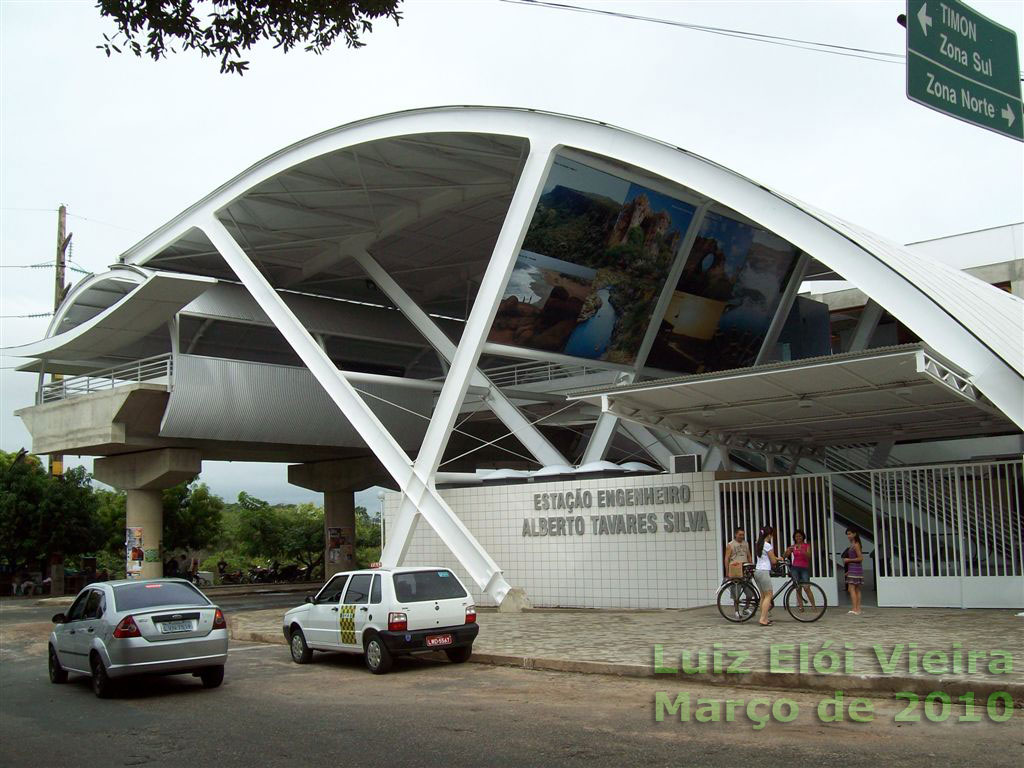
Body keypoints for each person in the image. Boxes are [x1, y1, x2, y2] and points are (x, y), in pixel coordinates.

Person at [752, 525, 780, 626]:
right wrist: (777, 560)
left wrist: (776, 558)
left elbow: (765, 557)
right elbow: (772, 560)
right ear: (770, 534)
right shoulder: (767, 545)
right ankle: (763, 619)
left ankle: (764, 618)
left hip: (757, 571)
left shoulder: (758, 543)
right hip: (764, 572)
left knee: (763, 596)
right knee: (769, 595)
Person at [723, 526, 753, 619]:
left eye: (743, 535)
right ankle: (736, 611)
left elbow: (749, 555)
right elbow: (727, 558)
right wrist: (727, 572)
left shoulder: (746, 544)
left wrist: (751, 565)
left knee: (750, 592)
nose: (741, 536)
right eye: (740, 534)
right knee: (736, 592)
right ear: (736, 534)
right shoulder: (730, 544)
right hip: (735, 569)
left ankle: (746, 607)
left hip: (745, 569)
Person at [784, 529, 815, 612]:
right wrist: (788, 551)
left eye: (800, 536)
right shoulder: (793, 546)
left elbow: (809, 556)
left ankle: (813, 606)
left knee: (807, 587)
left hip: (804, 568)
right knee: (798, 588)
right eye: (796, 536)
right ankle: (800, 606)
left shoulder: (806, 545)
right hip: (795, 568)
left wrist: (802, 550)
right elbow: (785, 556)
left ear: (803, 537)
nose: (798, 538)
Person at [842, 529, 864, 616]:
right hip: (854, 569)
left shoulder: (856, 545)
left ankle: (855, 608)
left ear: (855, 534)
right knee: (856, 589)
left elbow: (860, 558)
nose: (848, 536)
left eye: (850, 534)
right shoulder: (853, 545)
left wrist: (848, 560)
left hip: (855, 569)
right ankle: (858, 608)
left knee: (851, 589)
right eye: (847, 534)